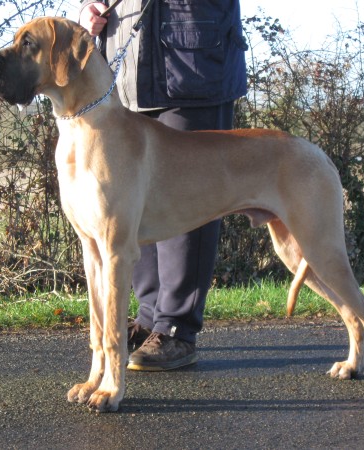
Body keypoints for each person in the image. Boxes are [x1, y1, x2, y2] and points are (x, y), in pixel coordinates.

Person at [78, 0, 247, 371]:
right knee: (132, 205)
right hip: (127, 68)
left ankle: (176, 327)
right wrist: (89, 5)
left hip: (195, 63)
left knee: (190, 198)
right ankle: (150, 316)